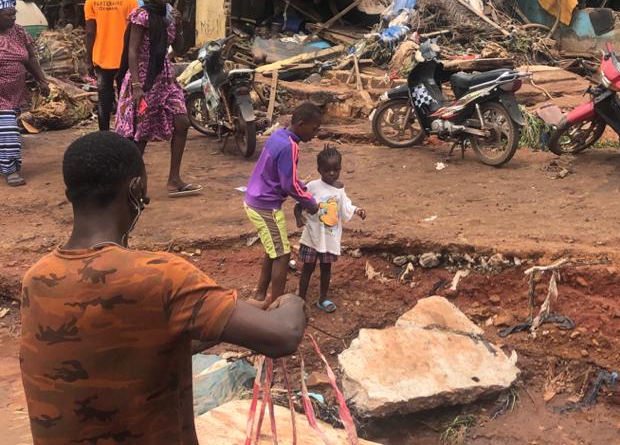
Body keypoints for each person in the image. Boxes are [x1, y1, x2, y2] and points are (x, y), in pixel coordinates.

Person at [19, 131, 307, 445]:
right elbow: (284, 336)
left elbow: (132, 343)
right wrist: (292, 302)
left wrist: (231, 318)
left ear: (69, 194)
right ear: (136, 189)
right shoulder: (160, 276)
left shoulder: (36, 279)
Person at [114, 0, 200, 197]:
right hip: (143, 77)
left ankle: (174, 179)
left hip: (165, 77)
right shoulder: (141, 16)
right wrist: (135, 84)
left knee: (182, 122)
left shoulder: (170, 16)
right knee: (140, 134)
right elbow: (132, 50)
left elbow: (179, 49)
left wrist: (179, 26)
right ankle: (132, 184)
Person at [244, 102, 324, 308]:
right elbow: (288, 184)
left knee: (273, 249)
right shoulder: (291, 146)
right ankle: (276, 303)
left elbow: (285, 176)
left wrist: (301, 185)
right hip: (265, 205)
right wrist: (310, 202)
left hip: (257, 198)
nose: (315, 134)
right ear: (301, 124)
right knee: (282, 254)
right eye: (313, 129)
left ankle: (261, 294)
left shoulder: (279, 135)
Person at [294, 146, 366, 313]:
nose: (332, 174)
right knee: (308, 267)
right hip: (313, 236)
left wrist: (357, 210)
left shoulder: (339, 189)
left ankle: (323, 299)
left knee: (326, 268)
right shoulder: (312, 187)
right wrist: (299, 217)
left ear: (340, 169)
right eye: (327, 170)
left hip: (329, 237)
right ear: (319, 170)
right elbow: (299, 205)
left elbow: (345, 205)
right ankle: (301, 299)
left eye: (335, 170)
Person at [0, 0, 50, 186]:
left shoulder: (19, 32)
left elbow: (30, 58)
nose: (13, 18)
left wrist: (42, 80)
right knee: (9, 130)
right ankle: (11, 170)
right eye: (8, 15)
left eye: (14, 14)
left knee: (5, 129)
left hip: (15, 93)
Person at [84, 0, 138, 131]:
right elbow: (135, 31)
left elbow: (90, 33)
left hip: (101, 58)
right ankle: (126, 132)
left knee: (104, 99)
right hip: (125, 59)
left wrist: (88, 59)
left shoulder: (92, 0)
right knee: (126, 99)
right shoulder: (131, 0)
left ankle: (104, 134)